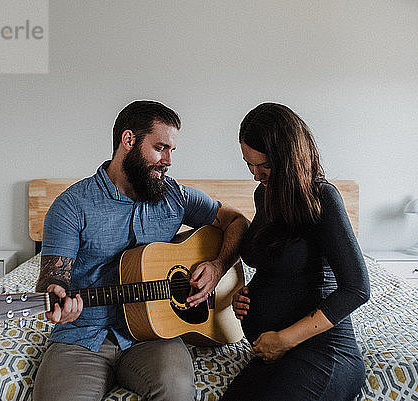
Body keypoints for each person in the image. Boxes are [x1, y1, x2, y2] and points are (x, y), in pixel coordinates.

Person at [32, 100, 249, 401]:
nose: (168, 160)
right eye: (161, 148)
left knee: (177, 391)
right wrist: (57, 299)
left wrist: (217, 266)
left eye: (172, 150)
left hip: (154, 335)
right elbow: (52, 280)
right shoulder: (72, 205)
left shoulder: (175, 196)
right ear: (129, 140)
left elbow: (237, 221)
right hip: (81, 336)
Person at [222, 103, 370, 401]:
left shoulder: (322, 198)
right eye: (248, 165)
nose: (255, 175)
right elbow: (278, 264)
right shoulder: (265, 194)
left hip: (323, 351)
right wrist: (246, 294)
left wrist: (284, 339)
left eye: (263, 166)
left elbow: (357, 289)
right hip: (274, 354)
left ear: (286, 158)